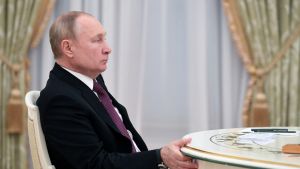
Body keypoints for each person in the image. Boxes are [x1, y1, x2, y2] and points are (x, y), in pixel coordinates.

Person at [37, 11, 198, 169]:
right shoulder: (60, 100)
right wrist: (160, 157)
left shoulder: (91, 80)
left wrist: (162, 158)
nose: (107, 48)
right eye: (97, 40)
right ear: (68, 48)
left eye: (104, 38)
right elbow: (96, 165)